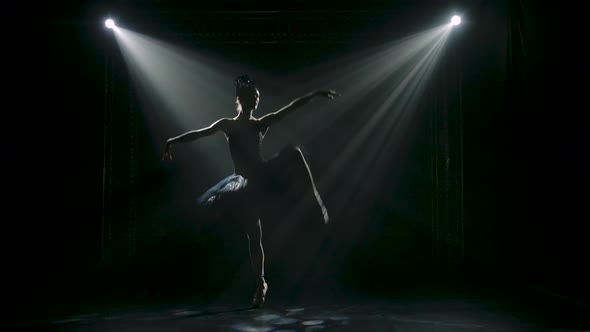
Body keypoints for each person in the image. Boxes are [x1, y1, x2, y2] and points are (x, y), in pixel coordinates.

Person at [163, 74, 339, 308]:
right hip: (244, 184)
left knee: (294, 153)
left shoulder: (260, 123)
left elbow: (290, 108)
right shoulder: (227, 124)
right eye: (251, 97)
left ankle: (314, 200)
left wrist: (314, 94)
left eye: (257, 97)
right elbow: (200, 133)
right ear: (240, 99)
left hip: (263, 175)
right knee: (254, 238)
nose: (255, 100)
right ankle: (261, 285)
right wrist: (172, 140)